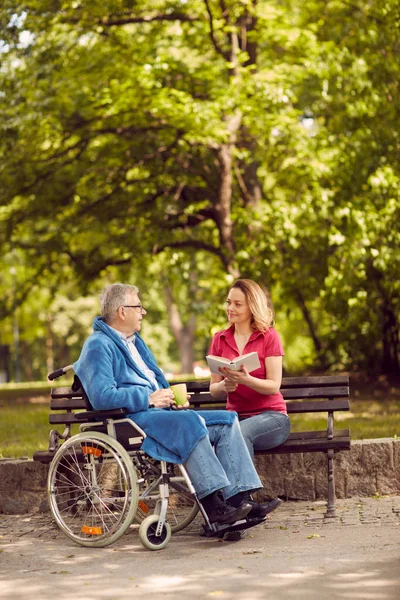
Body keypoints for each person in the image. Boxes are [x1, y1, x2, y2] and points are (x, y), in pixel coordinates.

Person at [74, 283, 273, 533]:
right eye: (138, 307)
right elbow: (102, 396)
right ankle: (214, 509)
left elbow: (155, 383)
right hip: (133, 419)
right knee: (189, 423)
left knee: (227, 420)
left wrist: (171, 397)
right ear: (122, 311)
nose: (143, 312)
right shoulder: (98, 345)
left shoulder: (134, 342)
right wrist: (149, 398)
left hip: (158, 414)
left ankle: (239, 500)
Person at [209, 278, 291, 514]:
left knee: (237, 433)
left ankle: (239, 505)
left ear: (251, 307)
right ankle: (241, 509)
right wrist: (225, 386)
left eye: (237, 304)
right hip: (235, 417)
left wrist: (246, 380)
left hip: (272, 418)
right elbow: (213, 388)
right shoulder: (219, 339)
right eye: (228, 303)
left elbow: (274, 386)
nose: (230, 309)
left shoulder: (269, 337)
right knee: (231, 432)